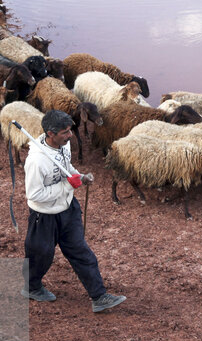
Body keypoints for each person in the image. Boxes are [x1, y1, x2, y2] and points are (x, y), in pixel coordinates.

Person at [21, 109, 126, 313]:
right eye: (65, 132)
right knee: (41, 255)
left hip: (68, 210)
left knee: (81, 252)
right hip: (43, 217)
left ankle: (99, 296)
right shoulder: (36, 161)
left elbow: (65, 165)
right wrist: (68, 185)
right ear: (51, 134)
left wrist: (79, 176)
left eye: (70, 131)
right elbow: (34, 194)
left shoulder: (64, 145)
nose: (70, 136)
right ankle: (31, 287)